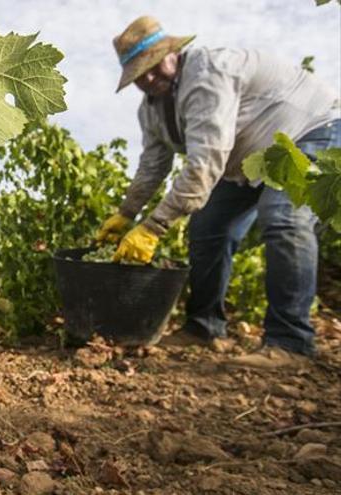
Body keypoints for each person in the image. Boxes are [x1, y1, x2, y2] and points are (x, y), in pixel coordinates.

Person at [96, 16, 341, 368]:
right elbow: (153, 166)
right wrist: (126, 214)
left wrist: (153, 227)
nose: (148, 78)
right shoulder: (151, 109)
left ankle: (291, 343)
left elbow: (205, 162)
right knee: (207, 226)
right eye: (138, 74)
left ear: (172, 52)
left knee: (284, 218)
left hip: (312, 131)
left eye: (152, 65)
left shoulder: (207, 73)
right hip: (249, 161)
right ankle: (204, 327)